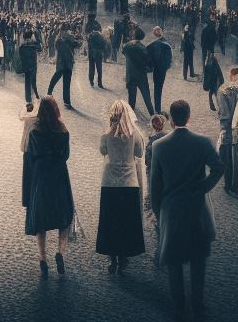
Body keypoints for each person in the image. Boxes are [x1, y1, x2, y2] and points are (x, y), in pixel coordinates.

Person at [151, 99, 225, 321]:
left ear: (171, 120)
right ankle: (198, 304)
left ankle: (179, 306)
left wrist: (159, 213)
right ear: (189, 117)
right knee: (198, 258)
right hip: (197, 208)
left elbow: (156, 186)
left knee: (174, 262)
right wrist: (202, 188)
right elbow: (218, 168)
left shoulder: (159, 146)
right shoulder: (203, 142)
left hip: (172, 210)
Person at [24, 96, 74, 277]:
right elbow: (66, 155)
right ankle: (60, 252)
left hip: (41, 175)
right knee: (64, 216)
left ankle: (43, 258)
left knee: (41, 218)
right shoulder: (63, 131)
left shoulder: (35, 132)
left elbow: (30, 156)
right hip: (59, 176)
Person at [96, 100, 145, 274]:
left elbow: (103, 152)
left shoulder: (106, 135)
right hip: (129, 183)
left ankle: (113, 259)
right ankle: (124, 257)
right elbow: (139, 153)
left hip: (109, 183)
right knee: (126, 222)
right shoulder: (135, 134)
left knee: (111, 222)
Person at [47, 26, 81, 110]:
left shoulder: (69, 40)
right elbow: (58, 47)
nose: (66, 32)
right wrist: (69, 40)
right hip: (61, 64)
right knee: (55, 79)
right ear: (61, 32)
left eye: (67, 31)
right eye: (65, 31)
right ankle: (49, 92)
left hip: (68, 64)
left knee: (67, 83)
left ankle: (67, 102)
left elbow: (78, 45)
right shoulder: (58, 41)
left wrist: (75, 38)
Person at [123, 27, 155, 116]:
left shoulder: (127, 46)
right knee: (146, 97)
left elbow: (123, 52)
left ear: (133, 36)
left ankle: (131, 116)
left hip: (130, 75)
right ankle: (152, 114)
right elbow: (149, 62)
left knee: (131, 98)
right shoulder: (143, 48)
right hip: (141, 76)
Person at [217, 65, 238, 194]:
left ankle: (229, 187)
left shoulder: (224, 90)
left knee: (227, 159)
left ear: (231, 75)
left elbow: (224, 116)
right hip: (235, 129)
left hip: (229, 129)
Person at [147, 26, 173, 114]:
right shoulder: (166, 44)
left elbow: (147, 54)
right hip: (162, 70)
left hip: (156, 69)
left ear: (154, 34)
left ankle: (157, 108)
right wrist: (166, 67)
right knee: (159, 88)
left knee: (156, 89)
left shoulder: (152, 44)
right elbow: (169, 59)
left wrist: (151, 66)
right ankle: (157, 108)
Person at [19, 29, 41, 105]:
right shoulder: (34, 44)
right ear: (31, 36)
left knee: (27, 82)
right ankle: (37, 96)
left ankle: (28, 100)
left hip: (26, 66)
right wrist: (36, 38)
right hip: (33, 66)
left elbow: (21, 56)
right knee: (33, 82)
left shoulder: (22, 46)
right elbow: (40, 48)